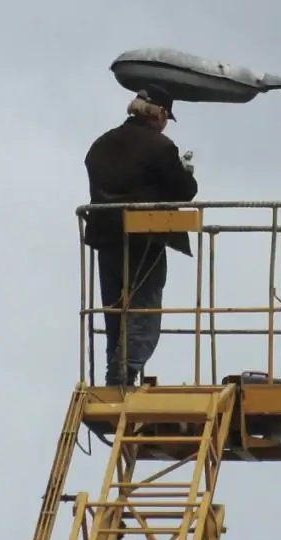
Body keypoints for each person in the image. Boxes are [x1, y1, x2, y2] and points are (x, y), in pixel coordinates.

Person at [84, 86, 198, 386]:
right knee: (144, 308)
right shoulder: (159, 147)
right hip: (143, 236)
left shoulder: (100, 145)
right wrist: (186, 172)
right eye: (165, 117)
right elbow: (185, 192)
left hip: (105, 237)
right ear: (158, 113)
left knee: (115, 311)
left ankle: (116, 370)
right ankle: (125, 369)